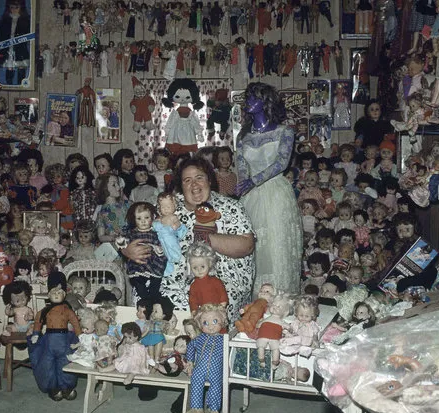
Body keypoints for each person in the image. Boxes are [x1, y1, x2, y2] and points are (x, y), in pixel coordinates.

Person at [121, 156, 254, 320]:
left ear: (209, 180)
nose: (194, 185)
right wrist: (126, 250)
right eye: (187, 180)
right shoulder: (167, 205)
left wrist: (205, 237)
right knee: (147, 301)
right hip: (166, 277)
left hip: (218, 280)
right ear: (180, 186)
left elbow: (247, 245)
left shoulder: (230, 206)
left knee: (205, 307)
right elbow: (130, 229)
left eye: (199, 178)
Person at [236, 82, 303, 296]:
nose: (249, 102)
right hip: (251, 196)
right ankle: (254, 299)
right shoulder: (243, 136)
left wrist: (254, 181)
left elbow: (281, 164)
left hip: (275, 193)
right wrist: (245, 185)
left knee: (277, 245)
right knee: (254, 245)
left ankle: (280, 299)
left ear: (265, 102)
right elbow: (242, 167)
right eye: (248, 98)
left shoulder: (285, 132)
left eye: (253, 98)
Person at [0, 0, 31, 85]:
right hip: (8, 47)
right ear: (8, 8)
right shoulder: (5, 21)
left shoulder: (25, 21)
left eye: (17, 7)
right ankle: (9, 85)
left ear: (21, 8)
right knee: (9, 67)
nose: (14, 10)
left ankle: (20, 84)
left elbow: (28, 35)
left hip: (20, 47)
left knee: (21, 66)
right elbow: (0, 35)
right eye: (12, 7)